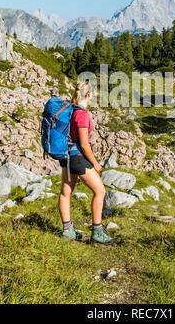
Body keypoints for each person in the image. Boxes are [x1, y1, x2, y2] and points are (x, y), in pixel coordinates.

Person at [58, 81, 115, 245]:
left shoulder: (70, 109)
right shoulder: (81, 113)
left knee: (65, 193)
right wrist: (95, 163)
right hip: (77, 157)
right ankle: (97, 231)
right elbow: (84, 143)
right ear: (89, 95)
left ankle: (68, 230)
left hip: (66, 156)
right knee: (100, 191)